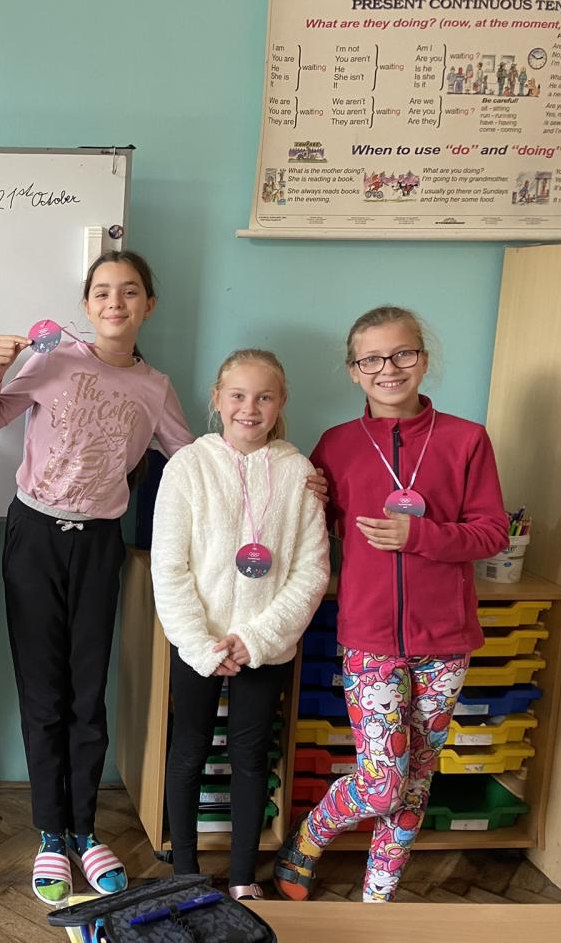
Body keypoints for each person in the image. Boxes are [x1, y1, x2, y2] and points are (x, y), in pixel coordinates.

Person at [0, 250, 193, 904]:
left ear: (149, 306)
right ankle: (50, 833)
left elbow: (190, 463)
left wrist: (263, 473)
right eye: (102, 292)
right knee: (42, 694)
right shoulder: (53, 360)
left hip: (98, 545)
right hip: (33, 537)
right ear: (87, 305)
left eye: (130, 291)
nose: (115, 302)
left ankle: (85, 830)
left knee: (86, 695)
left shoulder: (155, 388)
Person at [274, 306, 508, 903]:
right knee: (383, 783)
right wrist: (312, 499)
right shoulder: (337, 445)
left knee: (416, 779)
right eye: (372, 358)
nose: (389, 368)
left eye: (403, 353)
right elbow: (314, 529)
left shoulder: (466, 439)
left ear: (423, 360)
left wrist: (420, 536)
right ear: (354, 370)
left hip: (446, 640)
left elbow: (492, 534)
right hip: (370, 636)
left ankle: (378, 900)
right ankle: (311, 835)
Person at [152, 349, 329, 901]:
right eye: (238, 395)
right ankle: (186, 873)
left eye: (264, 397)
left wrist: (256, 639)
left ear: (280, 403)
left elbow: (311, 570)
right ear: (217, 399)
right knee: (189, 750)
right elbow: (169, 565)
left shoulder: (299, 473)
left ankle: (243, 877)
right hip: (198, 641)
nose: (249, 408)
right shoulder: (188, 466)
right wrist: (201, 644)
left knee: (251, 756)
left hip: (264, 646)